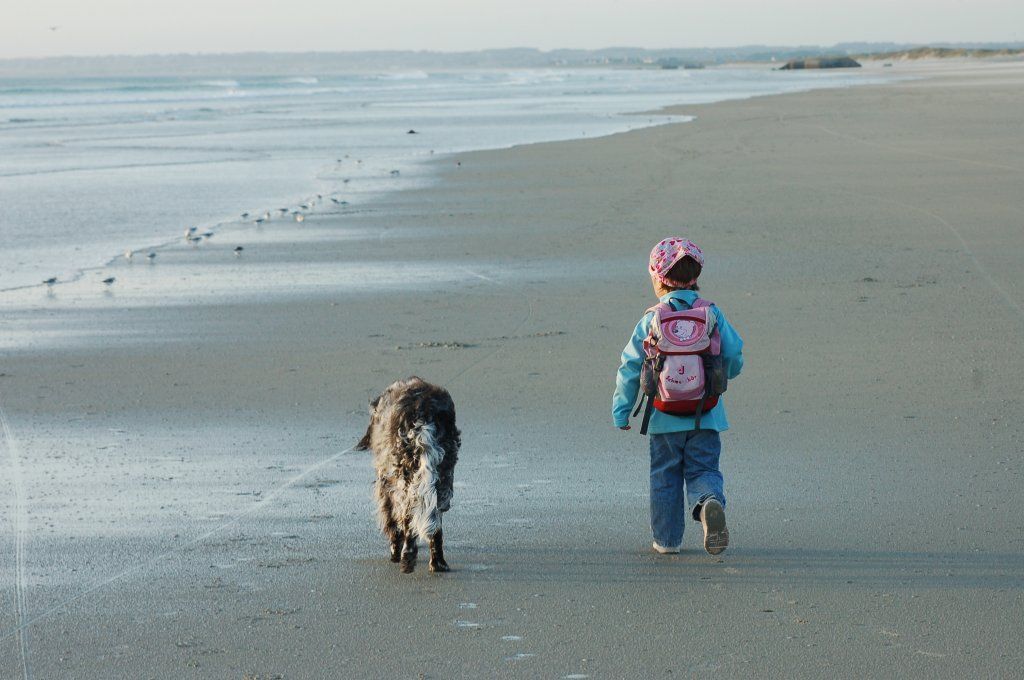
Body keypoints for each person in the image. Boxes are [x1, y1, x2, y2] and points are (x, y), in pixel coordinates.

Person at [612, 237, 744, 555]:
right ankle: (708, 502)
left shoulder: (651, 320)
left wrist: (621, 409)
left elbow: (630, 367)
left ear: (657, 279)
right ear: (695, 277)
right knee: (703, 469)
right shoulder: (711, 314)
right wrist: (724, 374)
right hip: (706, 411)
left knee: (665, 476)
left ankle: (667, 540)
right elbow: (734, 353)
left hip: (662, 415)